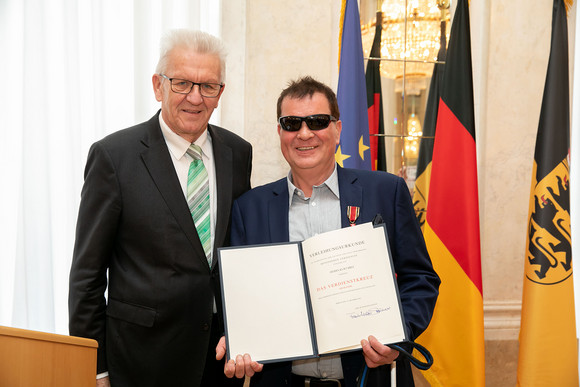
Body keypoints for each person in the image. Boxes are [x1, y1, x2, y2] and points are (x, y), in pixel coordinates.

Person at [216, 76, 439, 387]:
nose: (304, 133)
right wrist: (239, 338)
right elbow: (244, 298)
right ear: (280, 132)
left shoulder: (386, 192)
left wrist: (398, 336)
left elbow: (421, 279)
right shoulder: (249, 208)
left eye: (318, 121)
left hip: (368, 378)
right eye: (292, 123)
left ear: (338, 129)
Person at [69, 29, 252, 387]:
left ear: (220, 93)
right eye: (182, 83)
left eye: (208, 86)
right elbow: (87, 276)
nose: (195, 98)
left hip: (217, 362)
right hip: (138, 362)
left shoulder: (238, 153)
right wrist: (97, 368)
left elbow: (237, 255)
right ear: (158, 85)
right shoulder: (114, 157)